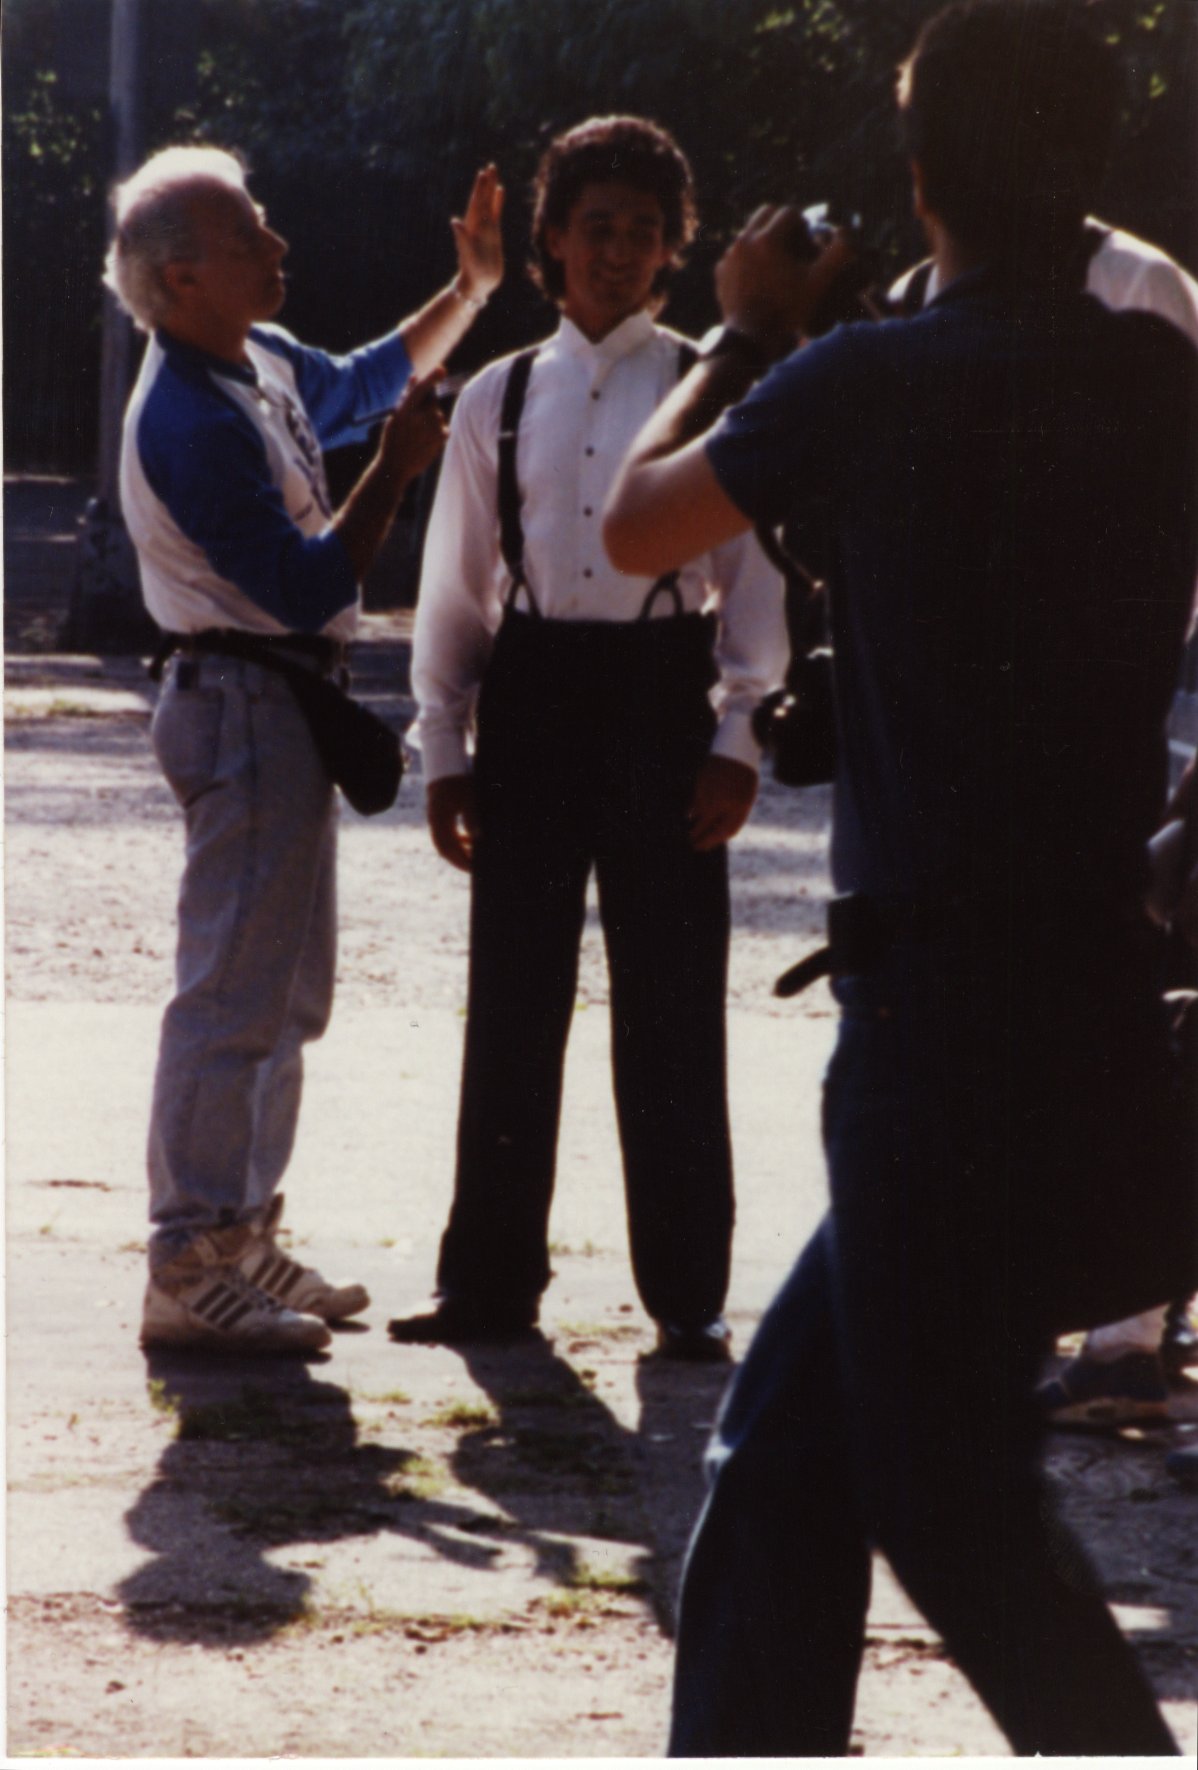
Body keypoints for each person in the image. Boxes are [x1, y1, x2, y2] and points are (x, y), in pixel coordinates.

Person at [604, 0, 1196, 1754]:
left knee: (942, 1499)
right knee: (786, 1458)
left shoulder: (858, 381)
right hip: (1091, 989)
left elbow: (634, 526)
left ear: (920, 177)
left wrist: (741, 329)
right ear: (1090, 168)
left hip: (929, 1031)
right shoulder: (1159, 377)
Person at [391, 116, 785, 1357]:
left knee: (670, 1004)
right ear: (553, 242)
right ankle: (488, 1285)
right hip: (534, 697)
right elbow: (457, 589)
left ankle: (686, 1294)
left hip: (661, 695)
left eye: (644, 234)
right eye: (594, 228)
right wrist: (444, 750)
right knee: (512, 996)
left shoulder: (710, 387)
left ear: (677, 252)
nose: (617, 253)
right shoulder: (498, 398)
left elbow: (756, 574)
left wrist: (737, 733)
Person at [109, 145, 504, 1352]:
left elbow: (363, 380)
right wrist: (393, 473)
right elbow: (294, 586)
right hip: (243, 696)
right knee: (233, 991)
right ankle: (188, 1258)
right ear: (182, 278)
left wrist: (471, 287)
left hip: (276, 705)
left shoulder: (252, 361)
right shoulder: (184, 415)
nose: (279, 251)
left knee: (285, 993)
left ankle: (239, 1238)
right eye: (250, 240)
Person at [894, 215, 1198, 1428]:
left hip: (1124, 698)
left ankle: (1124, 1337)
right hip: (989, 711)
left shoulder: (1139, 289)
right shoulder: (935, 291)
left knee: (1121, 993)